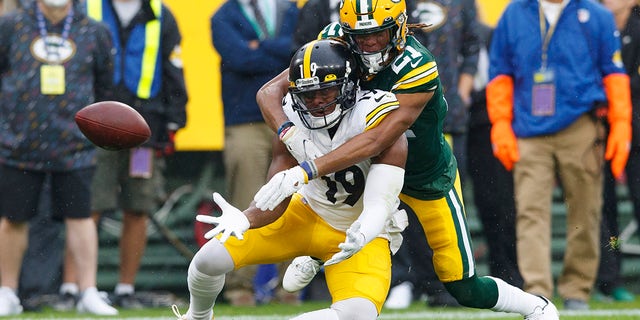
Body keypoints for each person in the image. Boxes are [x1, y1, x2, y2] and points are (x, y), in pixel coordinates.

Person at [254, 0, 558, 319]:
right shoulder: (335, 41)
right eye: (360, 34)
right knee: (332, 212)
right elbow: (269, 93)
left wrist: (307, 169)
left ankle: (535, 305)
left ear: (399, 26)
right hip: (365, 171)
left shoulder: (417, 66)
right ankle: (320, 254)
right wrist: (289, 134)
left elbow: (378, 138)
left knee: (462, 284)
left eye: (378, 33)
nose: (368, 42)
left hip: (422, 175)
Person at [172, 38, 408, 320]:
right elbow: (277, 196)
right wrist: (246, 218)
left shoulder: (376, 117)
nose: (317, 102)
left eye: (326, 91)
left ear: (348, 86)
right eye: (308, 95)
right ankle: (197, 317)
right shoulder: (293, 117)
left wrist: (364, 231)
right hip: (306, 213)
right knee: (209, 259)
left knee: (357, 314)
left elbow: (379, 204)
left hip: (361, 231)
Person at [487, 0, 632, 311]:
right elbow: (499, 71)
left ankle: (576, 289)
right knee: (530, 212)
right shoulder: (514, 13)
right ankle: (538, 292)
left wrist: (621, 123)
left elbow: (614, 74)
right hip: (528, 126)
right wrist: (500, 123)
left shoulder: (597, 15)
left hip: (581, 124)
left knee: (585, 211)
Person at [59, 0, 188, 309]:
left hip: (144, 128)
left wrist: (174, 118)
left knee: (137, 208)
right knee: (85, 207)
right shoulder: (86, 9)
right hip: (93, 125)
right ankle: (72, 287)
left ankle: (125, 288)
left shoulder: (161, 14)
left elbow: (173, 67)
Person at [0, 0, 118, 316]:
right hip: (19, 142)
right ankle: (6, 291)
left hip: (75, 144)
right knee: (13, 219)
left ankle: (88, 291)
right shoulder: (11, 26)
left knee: (81, 217)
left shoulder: (94, 31)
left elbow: (105, 86)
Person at [383, 0, 480, 308]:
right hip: (397, 113)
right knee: (396, 203)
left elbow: (473, 46)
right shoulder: (392, 4)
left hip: (447, 113)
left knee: (439, 198)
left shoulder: (462, 3)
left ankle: (443, 282)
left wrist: (462, 91)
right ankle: (405, 279)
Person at [209, 0, 299, 306]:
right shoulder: (223, 15)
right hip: (244, 120)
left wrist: (259, 46)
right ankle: (239, 286)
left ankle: (291, 284)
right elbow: (240, 59)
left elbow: (300, 50)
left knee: (294, 198)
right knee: (245, 200)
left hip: (291, 118)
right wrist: (278, 52)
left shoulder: (291, 9)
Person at [467, 21, 523, 289]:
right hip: (447, 120)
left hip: (486, 122)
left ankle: (506, 272)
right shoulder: (427, 33)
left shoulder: (489, 34)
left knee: (496, 202)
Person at [596, 0, 639, 302]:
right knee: (602, 208)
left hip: (636, 130)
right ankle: (611, 280)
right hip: (599, 128)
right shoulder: (593, 23)